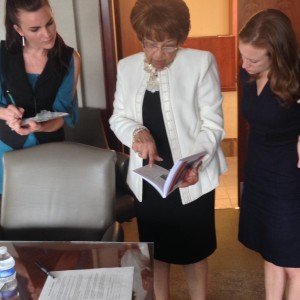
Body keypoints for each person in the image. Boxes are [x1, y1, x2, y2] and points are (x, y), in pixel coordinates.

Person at [109, 0, 227, 298]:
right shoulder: (127, 66)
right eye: (150, 44)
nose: (158, 54)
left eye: (169, 46)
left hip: (190, 175)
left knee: (193, 252)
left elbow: (212, 125)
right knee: (157, 253)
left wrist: (195, 164)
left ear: (181, 39)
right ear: (141, 38)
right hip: (149, 177)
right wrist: (138, 132)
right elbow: (118, 117)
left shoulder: (201, 62)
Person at [238, 9, 300, 299]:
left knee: (293, 261)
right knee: (270, 251)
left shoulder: (296, 77)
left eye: (253, 60)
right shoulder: (247, 71)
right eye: (243, 56)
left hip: (289, 176)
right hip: (258, 166)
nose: (244, 64)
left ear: (276, 54)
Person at [0, 0, 80, 193]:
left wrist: (41, 126)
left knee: (50, 211)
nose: (47, 34)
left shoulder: (70, 59)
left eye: (50, 23)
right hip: (6, 151)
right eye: (35, 29)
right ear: (18, 29)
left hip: (50, 151)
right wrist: (5, 113)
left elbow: (63, 114)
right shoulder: (1, 54)